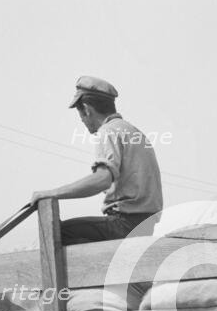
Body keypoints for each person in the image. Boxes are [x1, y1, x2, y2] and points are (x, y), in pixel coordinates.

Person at [31, 76, 163, 244]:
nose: (83, 122)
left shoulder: (108, 131)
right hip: (146, 226)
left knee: (58, 233)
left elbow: (102, 179)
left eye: (81, 116)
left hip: (125, 225)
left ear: (86, 109)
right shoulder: (134, 132)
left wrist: (51, 194)